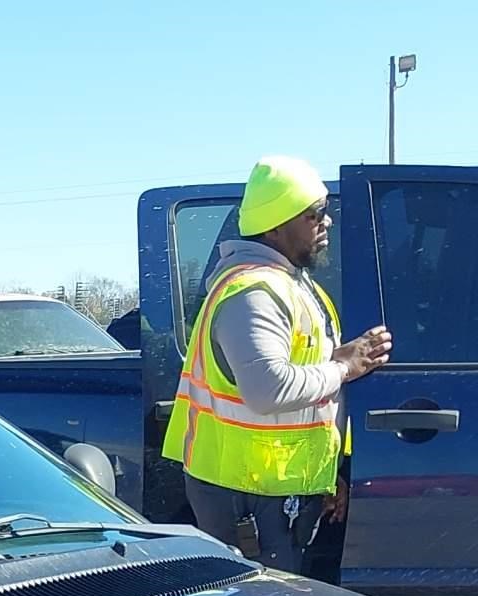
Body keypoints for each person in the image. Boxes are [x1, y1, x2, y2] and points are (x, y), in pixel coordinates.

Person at [163, 156, 391, 572]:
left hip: (274, 491)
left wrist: (326, 477)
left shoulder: (292, 287)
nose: (328, 223)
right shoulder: (253, 293)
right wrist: (346, 366)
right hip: (246, 498)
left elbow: (311, 399)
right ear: (275, 225)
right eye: (314, 215)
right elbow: (267, 389)